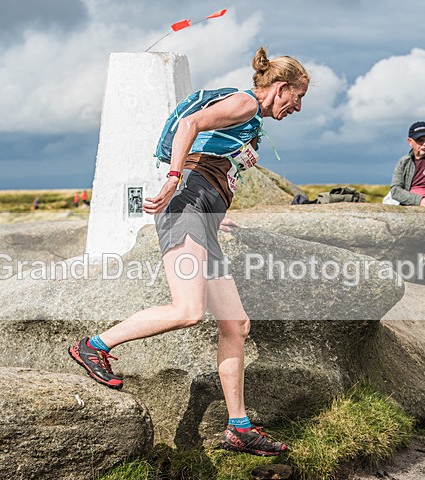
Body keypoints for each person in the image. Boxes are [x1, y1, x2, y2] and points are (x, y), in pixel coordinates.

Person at [67, 47, 309, 456]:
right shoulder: (246, 103)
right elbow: (190, 123)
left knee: (236, 325)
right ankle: (94, 346)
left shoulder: (249, 118)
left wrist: (215, 214)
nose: (296, 108)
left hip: (203, 215)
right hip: (187, 208)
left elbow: (217, 164)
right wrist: (173, 180)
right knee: (187, 310)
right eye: (297, 98)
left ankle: (238, 427)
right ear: (280, 87)